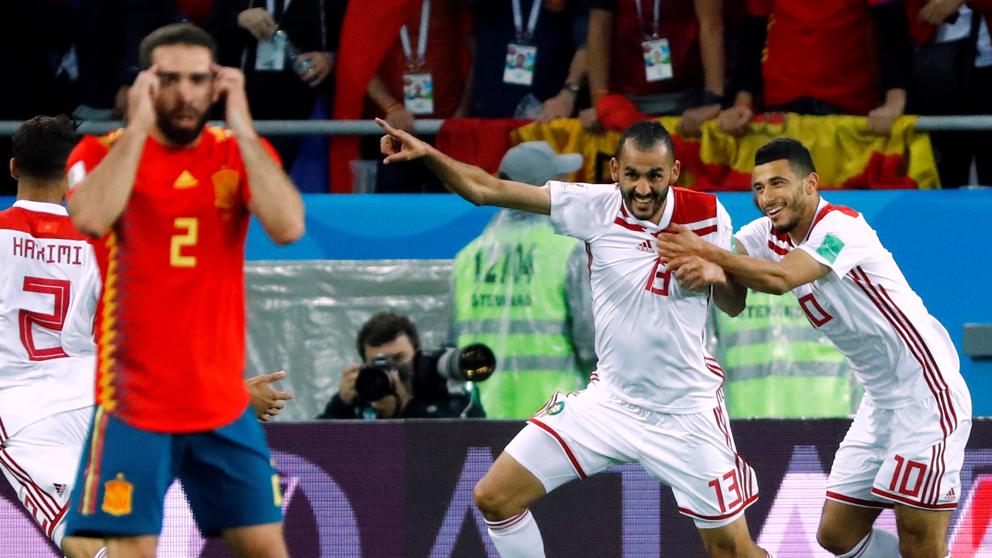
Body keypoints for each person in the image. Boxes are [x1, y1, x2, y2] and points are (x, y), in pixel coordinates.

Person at [377, 117, 769, 557]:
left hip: (685, 412)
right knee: (495, 498)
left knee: (733, 551)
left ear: (674, 172)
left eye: (655, 176)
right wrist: (428, 154)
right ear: (615, 170)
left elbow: (735, 303)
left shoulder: (707, 214)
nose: (642, 189)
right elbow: (485, 189)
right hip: (610, 404)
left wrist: (717, 274)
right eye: (632, 175)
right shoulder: (594, 206)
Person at [658, 137, 972, 558]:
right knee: (837, 534)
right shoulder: (766, 234)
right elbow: (733, 303)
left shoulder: (841, 228)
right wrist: (717, 274)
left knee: (918, 539)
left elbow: (781, 278)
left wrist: (707, 252)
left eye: (778, 184)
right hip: (879, 403)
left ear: (810, 184)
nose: (767, 198)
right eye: (758, 188)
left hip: (928, 395)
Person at [62, 23, 305, 558]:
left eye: (198, 80)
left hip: (221, 403)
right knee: (131, 549)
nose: (185, 93)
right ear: (145, 83)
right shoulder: (98, 152)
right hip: (133, 404)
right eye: (169, 80)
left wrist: (243, 127)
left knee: (265, 546)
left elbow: (288, 227)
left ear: (217, 84)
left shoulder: (237, 152)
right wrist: (137, 127)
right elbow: (91, 217)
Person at [450, 141, 597, 419]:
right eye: (560, 182)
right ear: (540, 189)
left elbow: (453, 347)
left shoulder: (467, 259)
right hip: (556, 416)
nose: (569, 187)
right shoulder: (567, 251)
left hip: (484, 416)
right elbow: (591, 343)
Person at [718, 0, 914, 136]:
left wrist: (894, 101)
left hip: (845, 108)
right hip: (779, 106)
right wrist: (742, 102)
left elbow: (891, 24)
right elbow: (755, 31)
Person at [318, 312, 486, 419]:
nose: (391, 370)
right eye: (379, 362)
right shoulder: (362, 394)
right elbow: (313, 450)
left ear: (417, 353)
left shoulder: (442, 387)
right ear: (365, 364)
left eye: (398, 358)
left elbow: (474, 443)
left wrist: (406, 408)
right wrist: (341, 403)